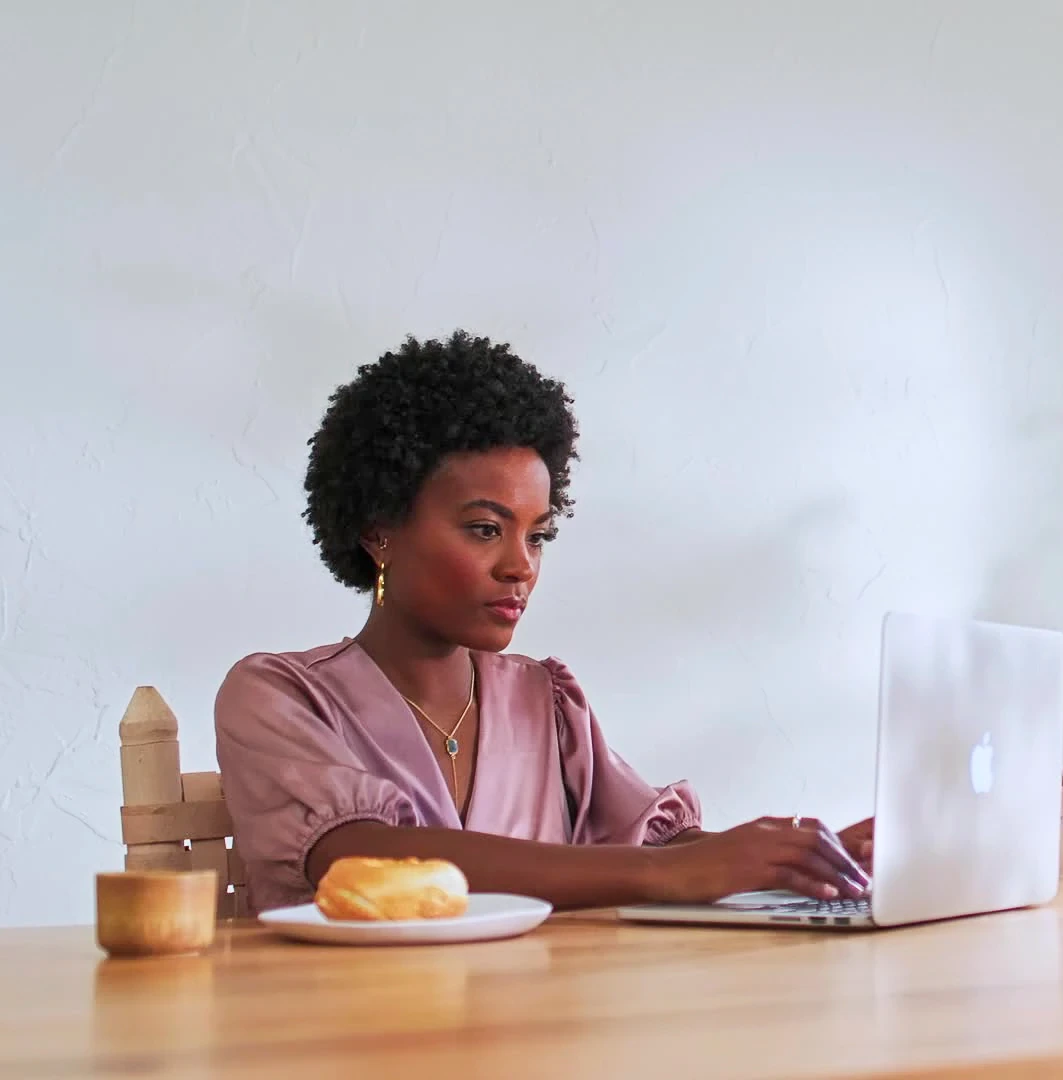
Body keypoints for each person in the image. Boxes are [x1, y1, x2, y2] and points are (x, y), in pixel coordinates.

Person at [216, 331, 872, 913]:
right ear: (378, 531)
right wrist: (667, 870)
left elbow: (661, 849)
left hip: (537, 1037)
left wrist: (801, 863)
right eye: (484, 530)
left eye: (537, 536)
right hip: (341, 1037)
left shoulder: (545, 703)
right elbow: (362, 858)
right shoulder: (279, 696)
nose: (520, 567)